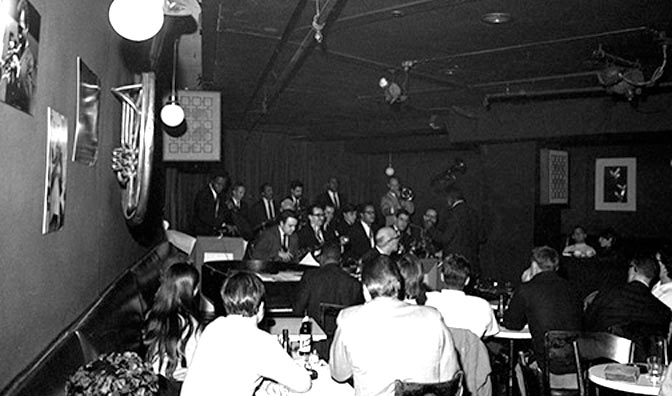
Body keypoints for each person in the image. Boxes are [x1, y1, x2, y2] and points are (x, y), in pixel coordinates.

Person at [330, 255, 460, 396]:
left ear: (366, 290)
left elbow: (339, 373)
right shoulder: (432, 317)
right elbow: (451, 380)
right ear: (399, 287)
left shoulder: (348, 319)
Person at [181, 271, 312, 396]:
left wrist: (264, 384)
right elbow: (303, 384)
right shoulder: (261, 342)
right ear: (261, 308)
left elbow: (228, 376)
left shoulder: (213, 327)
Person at [503, 246, 582, 380]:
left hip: (546, 365)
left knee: (517, 366)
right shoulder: (571, 288)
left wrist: (524, 285)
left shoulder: (527, 289)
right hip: (577, 363)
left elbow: (512, 324)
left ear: (534, 265)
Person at [584, 255, 671, 351]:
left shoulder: (609, 294)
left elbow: (587, 324)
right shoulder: (663, 311)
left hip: (602, 357)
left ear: (634, 268)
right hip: (641, 362)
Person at [143, 263, 202, 384]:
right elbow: (196, 367)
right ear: (194, 291)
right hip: (176, 385)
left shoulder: (152, 315)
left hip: (151, 381)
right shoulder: (191, 324)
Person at [426, 254, 499, 338]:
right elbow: (489, 334)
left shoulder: (427, 300)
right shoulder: (482, 306)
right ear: (467, 281)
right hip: (470, 350)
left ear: (442, 277)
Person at [293, 243, 364, 322]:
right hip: (340, 331)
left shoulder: (310, 276)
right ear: (340, 260)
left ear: (322, 258)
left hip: (316, 330)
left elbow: (298, 309)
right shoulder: (353, 283)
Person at [427, 186, 485, 277]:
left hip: (456, 266)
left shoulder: (453, 214)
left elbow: (445, 238)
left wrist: (430, 228)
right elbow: (482, 237)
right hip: (472, 264)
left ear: (450, 199)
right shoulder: (474, 213)